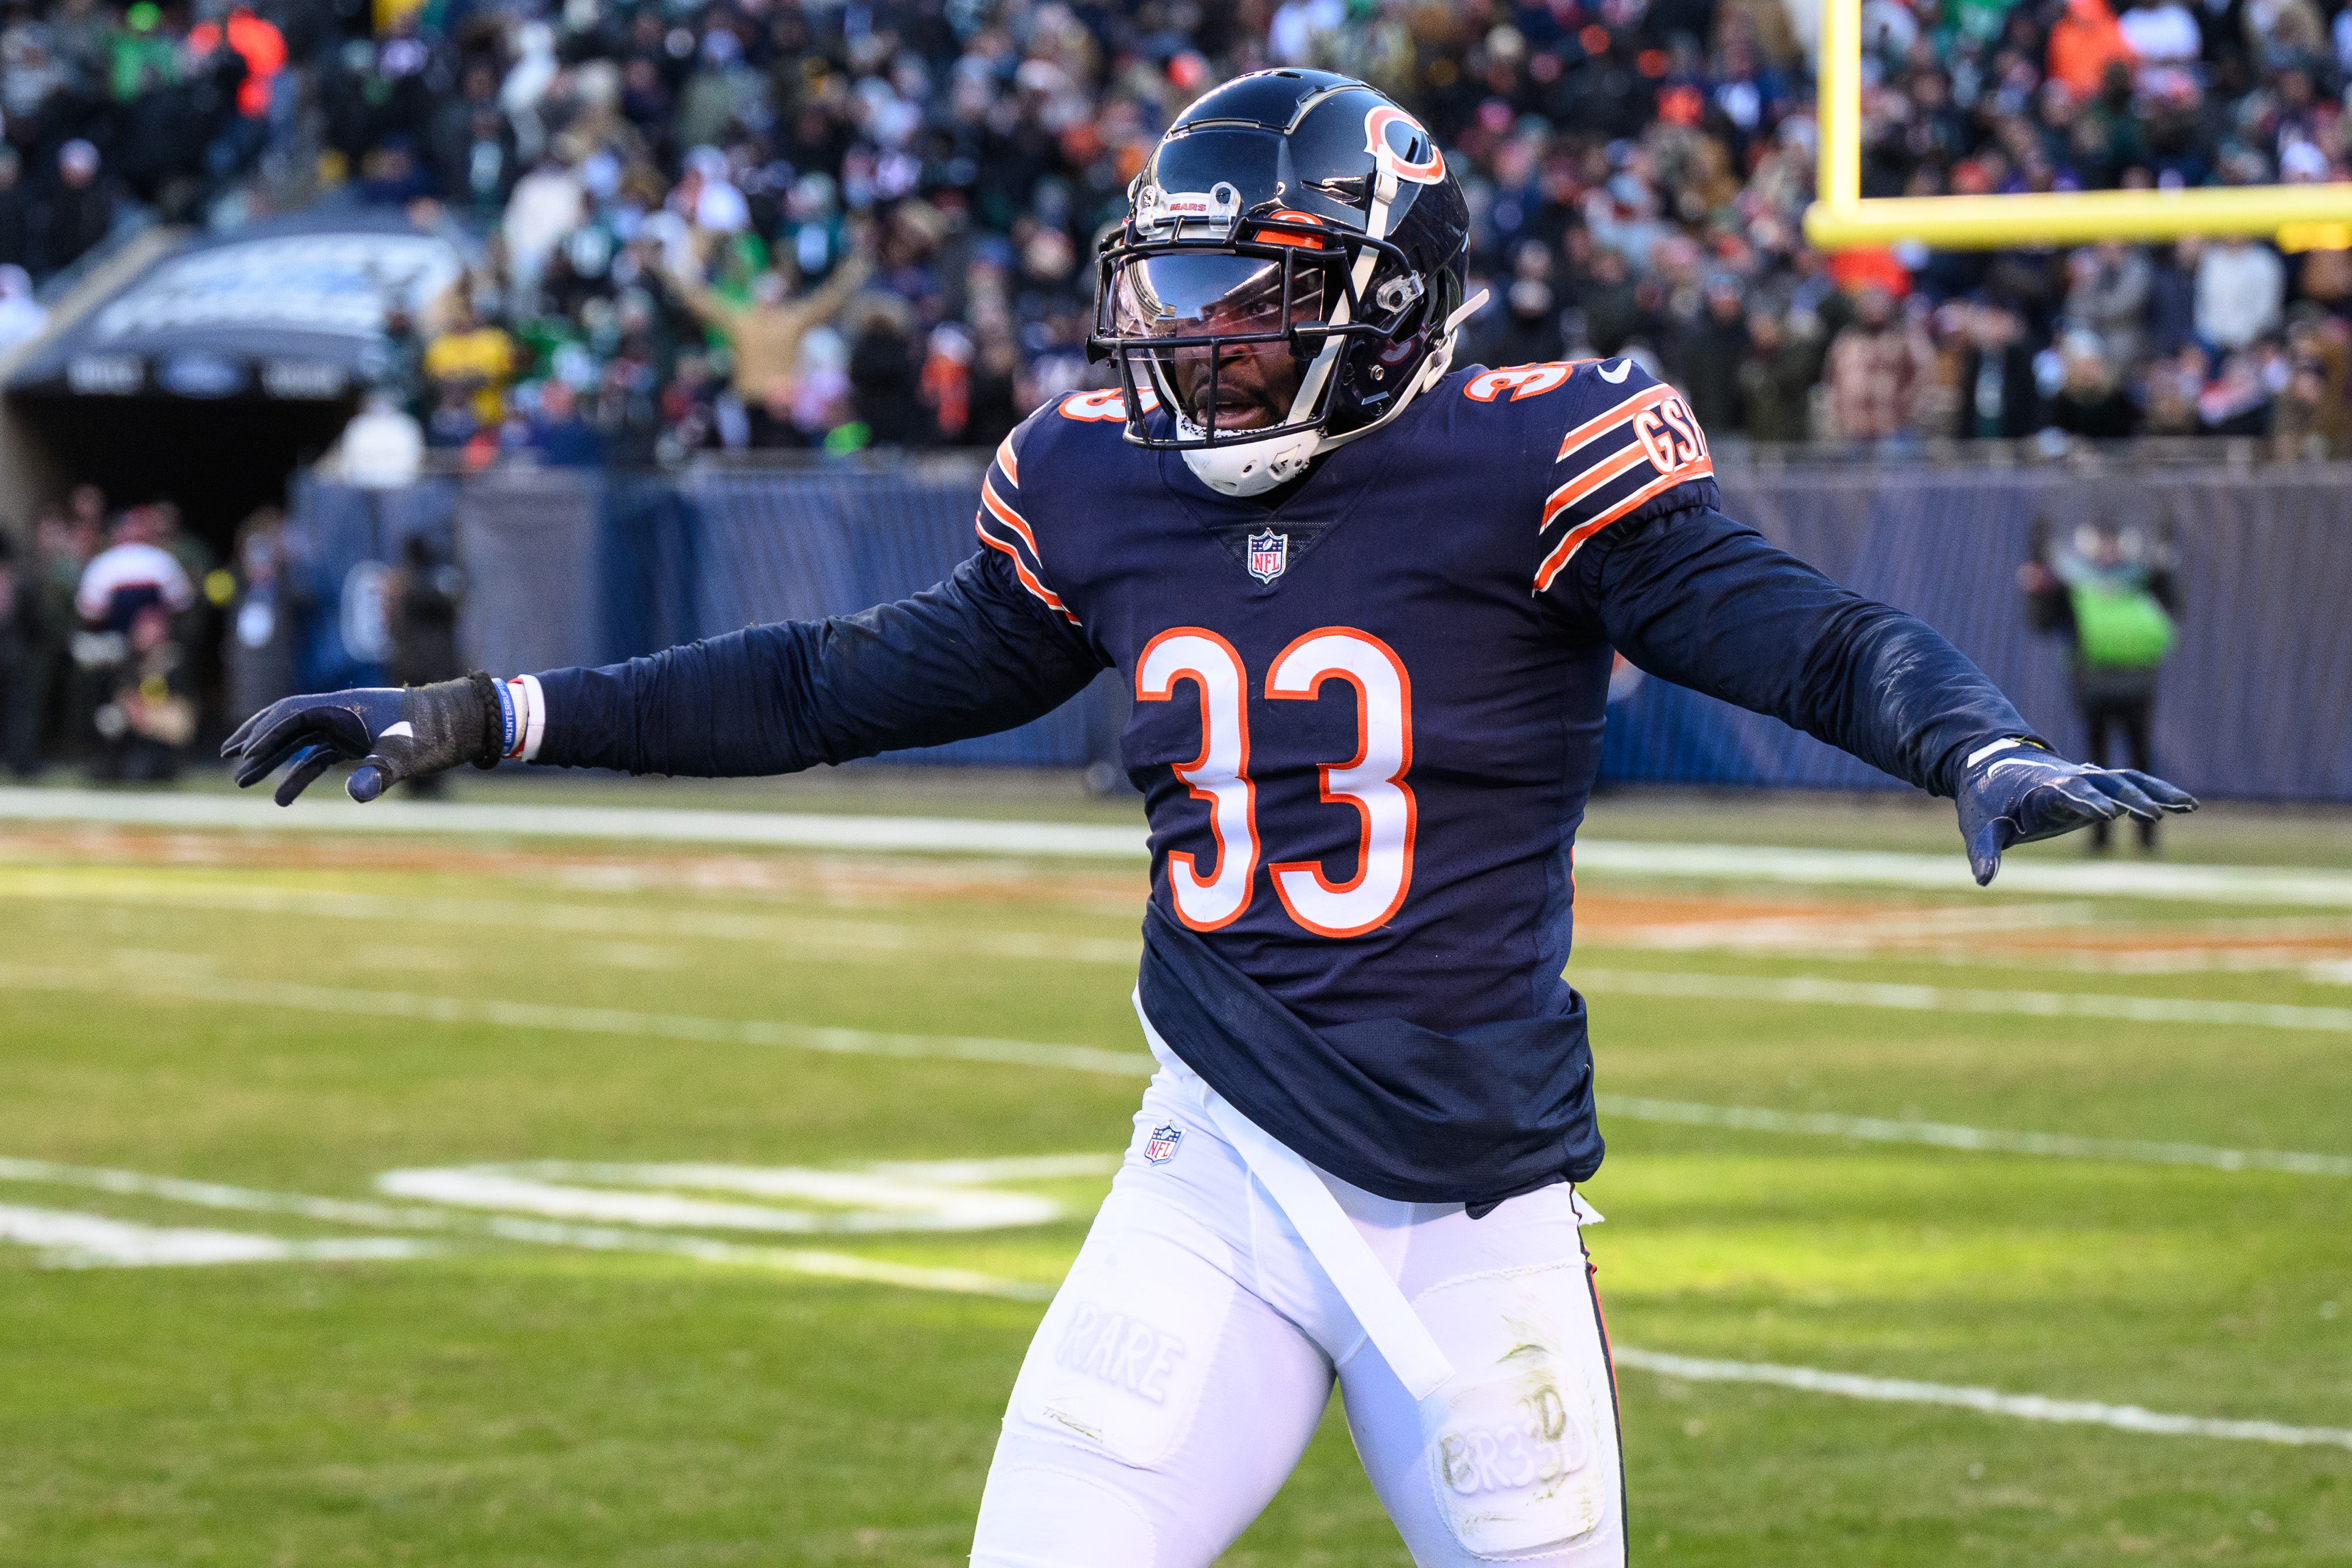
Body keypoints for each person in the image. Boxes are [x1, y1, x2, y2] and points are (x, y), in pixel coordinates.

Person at [223, 73, 2195, 1568]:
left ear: (1385, 292)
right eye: (1168, 290)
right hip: (1215, 1167)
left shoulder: (1531, 452)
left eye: (1245, 299)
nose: (1188, 336)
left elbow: (1795, 632)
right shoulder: (1100, 483)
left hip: (1473, 1208)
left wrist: (1968, 741)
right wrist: (477, 710)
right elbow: (830, 680)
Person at [2020, 517, 2179, 851]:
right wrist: (2038, 587)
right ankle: (2100, 837)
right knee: (2097, 763)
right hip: (2095, 685)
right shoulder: (2078, 584)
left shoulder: (2141, 579)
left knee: (2139, 759)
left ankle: (2146, 837)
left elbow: (2171, 605)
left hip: (2135, 684)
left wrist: (2165, 566)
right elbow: (2045, 621)